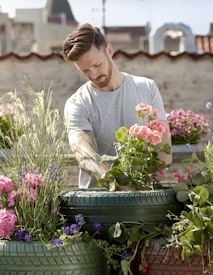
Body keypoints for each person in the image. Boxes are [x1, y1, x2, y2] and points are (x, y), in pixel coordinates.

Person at [62, 23, 172, 188]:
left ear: (109, 51)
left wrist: (149, 187)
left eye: (97, 65)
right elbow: (84, 154)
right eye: (85, 70)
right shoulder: (77, 103)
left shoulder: (147, 88)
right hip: (96, 204)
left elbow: (163, 147)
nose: (93, 74)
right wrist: (120, 187)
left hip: (143, 198)